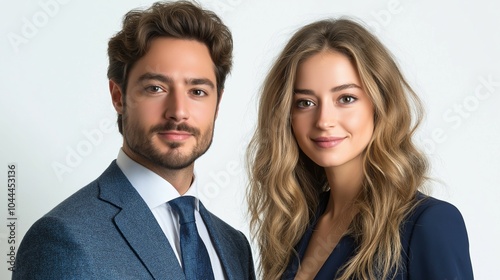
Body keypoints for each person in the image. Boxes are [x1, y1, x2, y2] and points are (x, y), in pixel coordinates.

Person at [13, 1, 255, 279]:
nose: (178, 111)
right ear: (119, 96)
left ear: (218, 102)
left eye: (197, 91)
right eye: (156, 88)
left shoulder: (235, 246)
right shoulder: (63, 238)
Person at [247, 18, 473, 280]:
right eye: (305, 102)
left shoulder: (429, 224)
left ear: (380, 105)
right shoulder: (293, 226)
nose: (323, 120)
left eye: (346, 99)